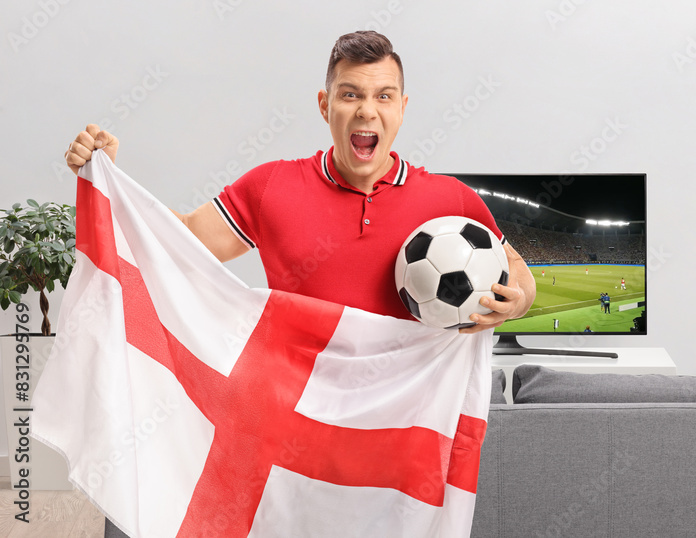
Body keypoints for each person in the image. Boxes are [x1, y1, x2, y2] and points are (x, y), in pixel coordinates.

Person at [65, 30, 537, 537]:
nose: (366, 111)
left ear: (402, 107)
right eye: (350, 94)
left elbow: (517, 270)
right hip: (285, 440)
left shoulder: (451, 202)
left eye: (382, 96)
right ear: (324, 103)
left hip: (396, 442)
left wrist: (517, 300)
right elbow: (177, 243)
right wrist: (111, 181)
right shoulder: (273, 186)